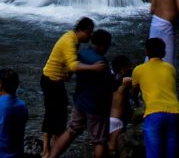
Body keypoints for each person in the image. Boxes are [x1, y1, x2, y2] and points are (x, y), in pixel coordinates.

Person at [40, 17, 105, 158]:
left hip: (56, 81)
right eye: (91, 32)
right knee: (53, 114)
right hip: (51, 80)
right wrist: (94, 67)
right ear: (85, 30)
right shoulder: (69, 41)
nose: (91, 36)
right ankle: (46, 150)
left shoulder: (73, 39)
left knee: (60, 113)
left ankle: (53, 147)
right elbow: (73, 65)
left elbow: (70, 65)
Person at [50, 29, 113, 158]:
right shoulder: (100, 62)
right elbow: (109, 84)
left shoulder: (81, 54)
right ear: (102, 45)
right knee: (99, 140)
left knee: (71, 130)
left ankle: (52, 156)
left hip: (80, 102)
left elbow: (69, 72)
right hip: (96, 106)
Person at [132, 37, 179, 158]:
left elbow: (134, 92)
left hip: (154, 113)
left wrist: (137, 103)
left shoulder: (138, 70)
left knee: (153, 153)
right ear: (164, 52)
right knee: (171, 153)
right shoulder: (170, 68)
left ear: (146, 52)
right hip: (175, 112)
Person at [108, 55, 133, 155]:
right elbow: (137, 79)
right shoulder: (125, 82)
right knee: (112, 147)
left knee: (107, 145)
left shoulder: (108, 80)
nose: (130, 68)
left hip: (107, 119)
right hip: (117, 121)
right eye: (128, 66)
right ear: (122, 68)